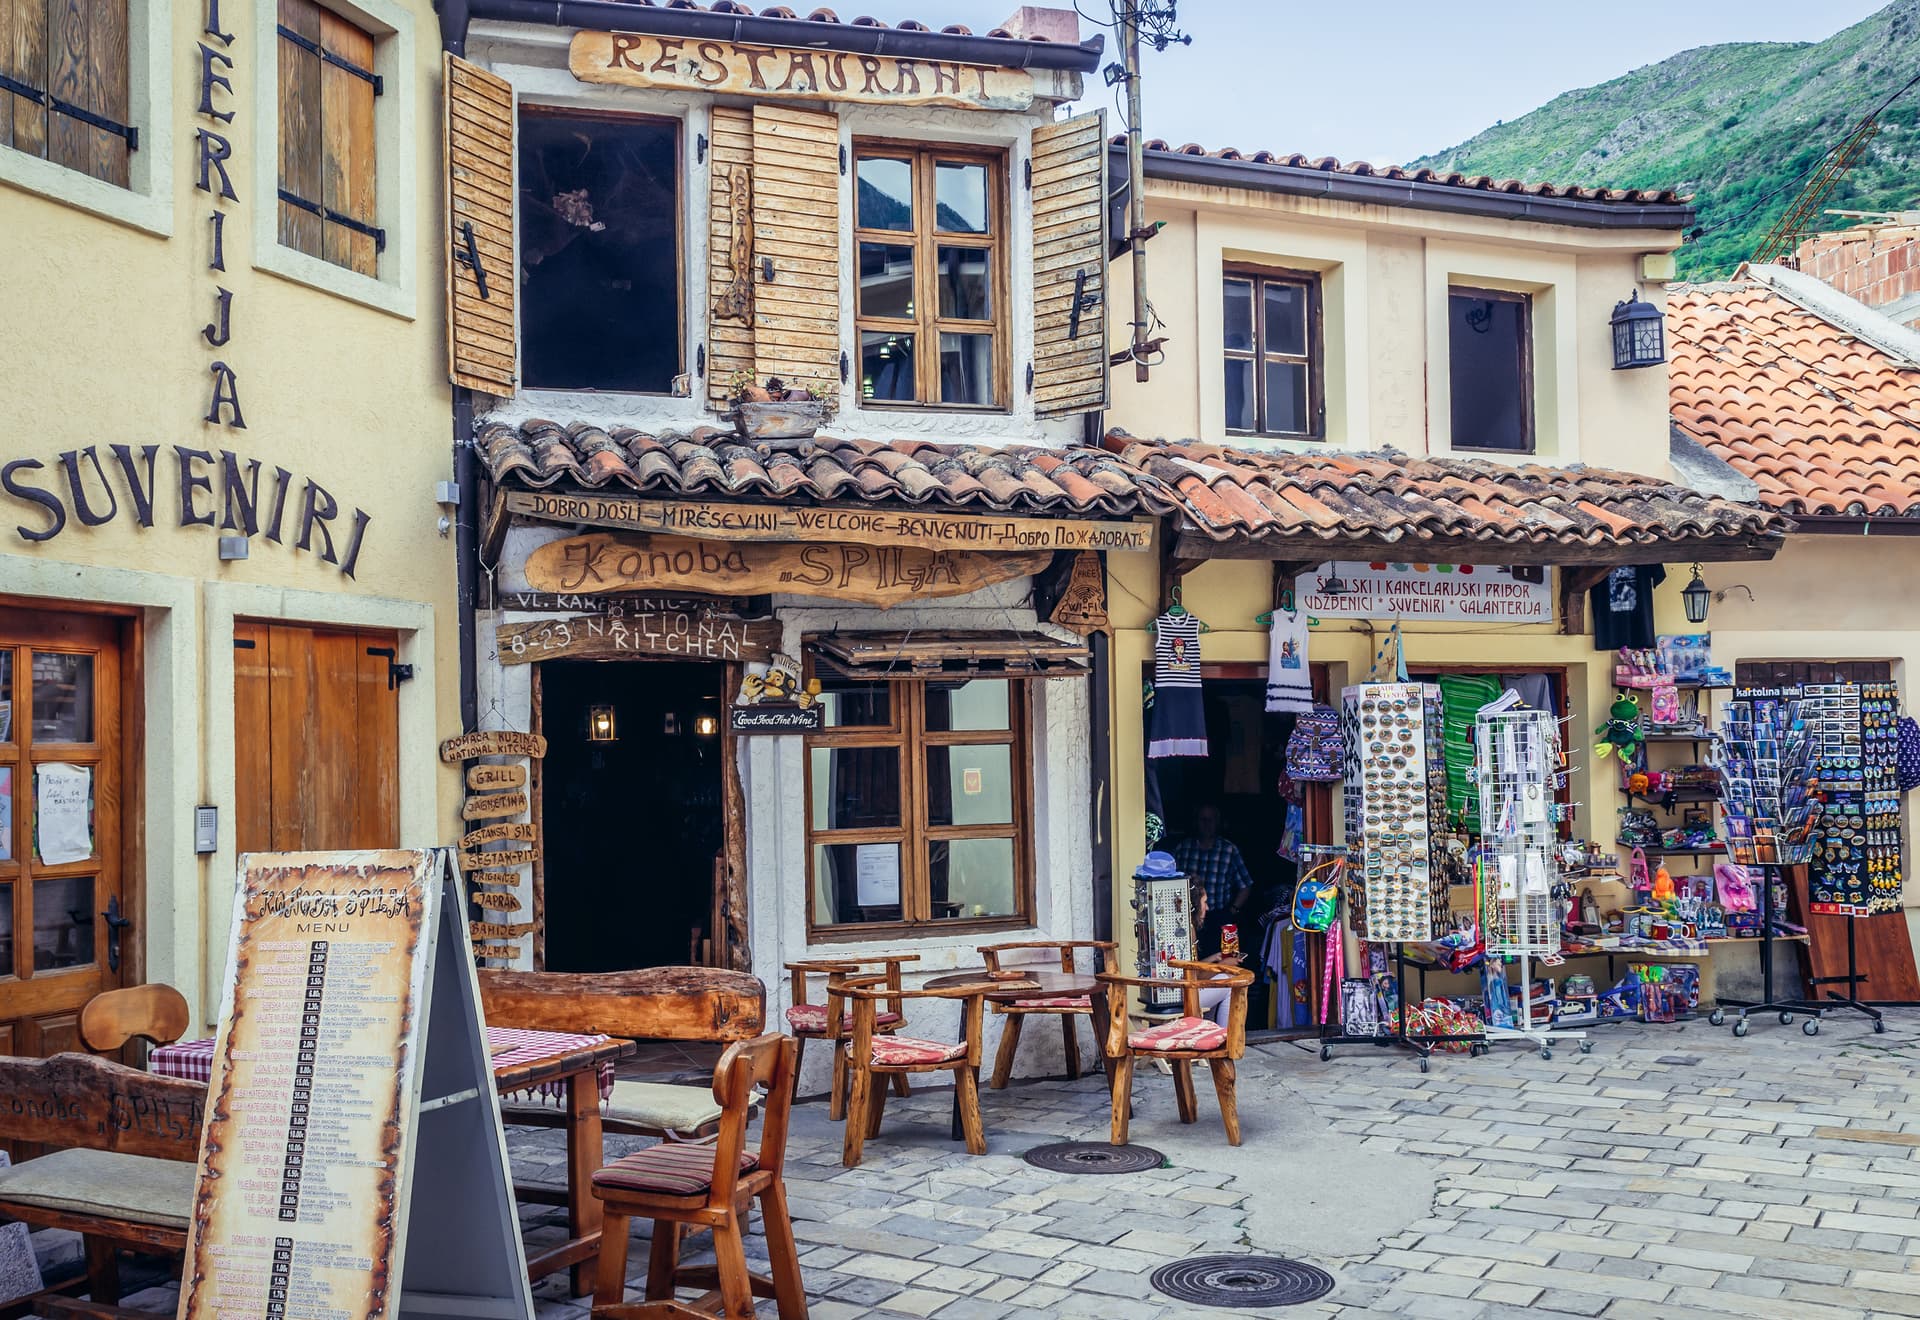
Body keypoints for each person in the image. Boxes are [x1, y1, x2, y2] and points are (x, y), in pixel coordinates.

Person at [1171, 804, 1253, 920]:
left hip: (1218, 917)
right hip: (1188, 916)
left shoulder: (1229, 850)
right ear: (1196, 822)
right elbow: (1171, 881)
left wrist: (1233, 910)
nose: (1206, 824)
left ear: (1217, 823)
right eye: (1203, 819)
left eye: (1211, 820)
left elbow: (1246, 885)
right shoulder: (1183, 848)